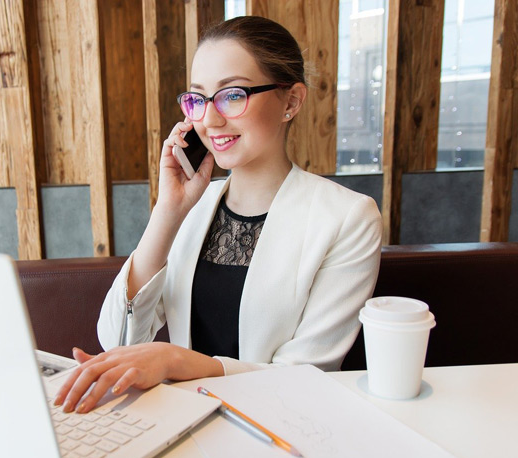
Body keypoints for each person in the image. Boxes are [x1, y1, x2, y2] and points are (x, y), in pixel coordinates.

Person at [54, 16, 382, 414]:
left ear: (291, 102)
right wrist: (168, 211)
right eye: (198, 99)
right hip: (178, 421)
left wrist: (179, 361)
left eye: (232, 95)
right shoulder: (192, 208)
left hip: (275, 428)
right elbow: (116, 338)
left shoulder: (348, 218)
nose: (209, 120)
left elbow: (307, 374)